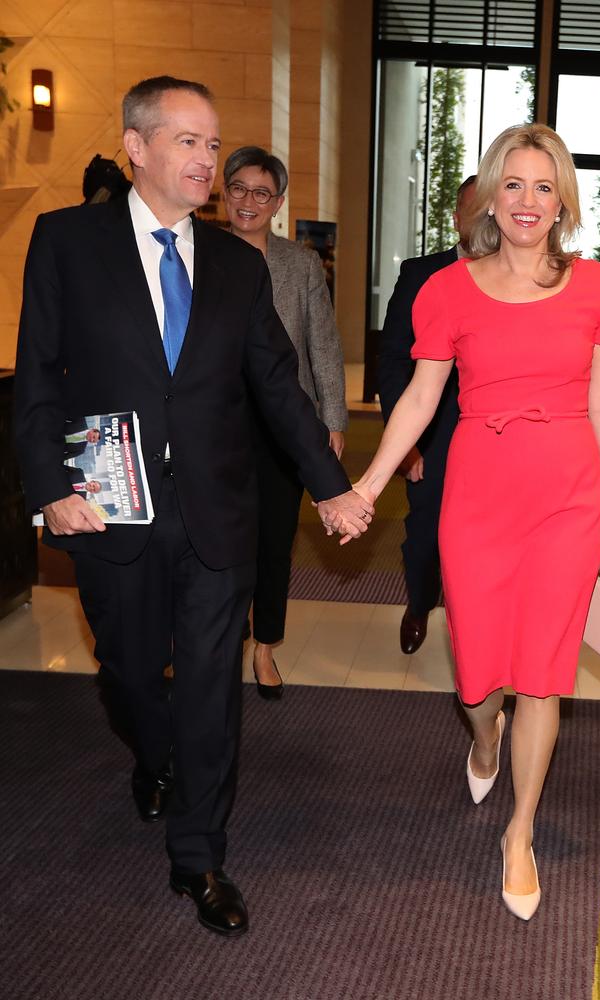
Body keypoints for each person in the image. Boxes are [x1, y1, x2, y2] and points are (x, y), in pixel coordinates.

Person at [13, 75, 373, 938]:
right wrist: (50, 491)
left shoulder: (240, 267)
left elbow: (279, 387)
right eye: (188, 141)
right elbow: (36, 377)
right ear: (136, 147)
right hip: (110, 509)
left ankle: (200, 857)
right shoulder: (66, 241)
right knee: (133, 674)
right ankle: (155, 756)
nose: (207, 160)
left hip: (218, 513)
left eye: (213, 144)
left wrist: (335, 488)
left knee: (211, 687)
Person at [352, 123, 600, 920]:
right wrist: (370, 484)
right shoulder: (447, 289)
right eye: (514, 184)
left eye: (545, 187)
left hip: (567, 498)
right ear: (489, 194)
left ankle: (520, 831)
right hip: (475, 491)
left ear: (563, 203)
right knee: (480, 672)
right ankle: (483, 735)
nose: (528, 201)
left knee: (544, 672)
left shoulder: (595, 287)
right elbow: (418, 398)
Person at [222, 146, 348, 698]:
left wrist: (333, 419)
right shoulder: (195, 253)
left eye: (261, 193)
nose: (249, 201)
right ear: (223, 193)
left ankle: (265, 646)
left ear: (277, 202)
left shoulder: (299, 264)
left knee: (274, 541)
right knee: (217, 543)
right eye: (239, 189)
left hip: (284, 424)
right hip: (213, 427)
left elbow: (322, 344)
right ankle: (216, 643)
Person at [378, 176, 476, 654]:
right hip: (431, 431)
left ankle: (475, 623)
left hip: (495, 435)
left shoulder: (518, 278)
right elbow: (394, 358)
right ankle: (420, 601)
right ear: (456, 218)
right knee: (425, 532)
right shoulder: (422, 274)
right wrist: (405, 443)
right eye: (473, 211)